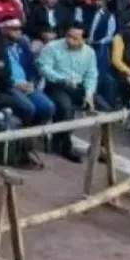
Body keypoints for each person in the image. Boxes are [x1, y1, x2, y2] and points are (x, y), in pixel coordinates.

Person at [37, 24, 99, 163]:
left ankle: (100, 148)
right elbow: (44, 68)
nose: (70, 40)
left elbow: (91, 75)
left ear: (85, 40)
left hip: (78, 87)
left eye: (75, 38)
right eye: (68, 36)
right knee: (65, 108)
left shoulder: (89, 52)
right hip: (57, 85)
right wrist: (62, 79)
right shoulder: (52, 47)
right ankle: (65, 146)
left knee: (105, 108)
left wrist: (89, 94)